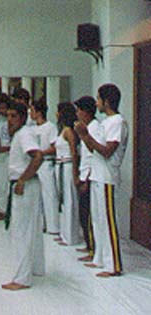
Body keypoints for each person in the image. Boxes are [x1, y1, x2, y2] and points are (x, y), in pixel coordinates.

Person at [74, 84, 128, 278]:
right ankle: (100, 258)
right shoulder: (106, 122)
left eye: (98, 99)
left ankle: (114, 265)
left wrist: (85, 135)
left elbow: (107, 151)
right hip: (97, 175)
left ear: (106, 101)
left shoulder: (117, 122)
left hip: (107, 177)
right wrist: (84, 136)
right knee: (97, 220)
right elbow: (92, 149)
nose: (96, 103)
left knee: (107, 221)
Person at [2, 101, 44, 291]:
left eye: (13, 116)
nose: (9, 120)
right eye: (7, 116)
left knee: (22, 232)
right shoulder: (21, 134)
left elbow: (38, 156)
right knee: (32, 230)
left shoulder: (24, 134)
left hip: (24, 186)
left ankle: (22, 278)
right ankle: (35, 269)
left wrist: (21, 180)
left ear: (23, 117)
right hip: (28, 185)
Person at [74, 96, 100, 262]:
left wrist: (87, 180)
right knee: (84, 214)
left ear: (85, 111)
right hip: (84, 175)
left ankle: (93, 250)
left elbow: (94, 155)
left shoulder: (94, 128)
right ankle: (89, 246)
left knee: (89, 216)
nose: (77, 113)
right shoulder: (86, 127)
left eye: (78, 110)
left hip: (90, 177)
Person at [30, 100, 60, 234]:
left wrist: (41, 153)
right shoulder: (31, 128)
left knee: (49, 195)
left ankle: (53, 227)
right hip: (33, 164)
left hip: (45, 163)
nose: (30, 113)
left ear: (39, 112)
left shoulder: (50, 127)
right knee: (36, 196)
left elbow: (55, 147)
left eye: (32, 110)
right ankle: (40, 225)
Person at [54, 102, 81, 246]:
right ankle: (64, 233)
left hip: (68, 166)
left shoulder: (69, 131)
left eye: (58, 111)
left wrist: (75, 173)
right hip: (60, 166)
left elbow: (74, 153)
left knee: (69, 199)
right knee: (62, 200)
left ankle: (70, 236)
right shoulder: (62, 130)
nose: (56, 114)